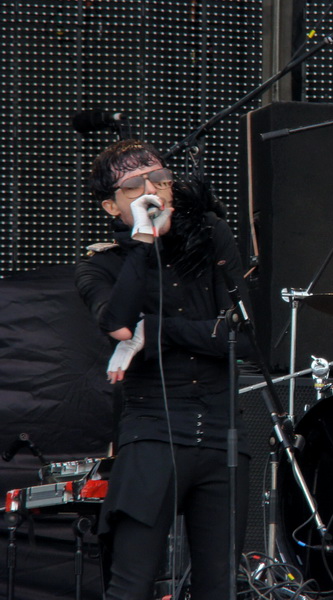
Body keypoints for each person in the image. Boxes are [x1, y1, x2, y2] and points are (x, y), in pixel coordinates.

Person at [75, 139, 253, 600]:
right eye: (134, 185)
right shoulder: (102, 266)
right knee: (131, 585)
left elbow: (243, 337)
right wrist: (143, 242)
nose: (151, 188)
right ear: (112, 206)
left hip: (220, 434)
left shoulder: (211, 235)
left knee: (220, 588)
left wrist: (154, 329)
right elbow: (116, 324)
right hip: (152, 432)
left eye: (158, 177)